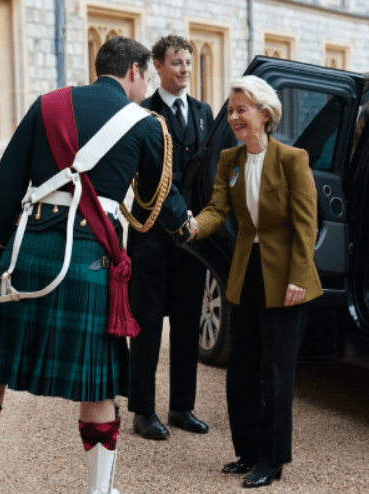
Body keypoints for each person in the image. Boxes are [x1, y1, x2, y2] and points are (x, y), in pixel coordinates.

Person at [0, 36, 195, 494]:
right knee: (98, 389)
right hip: (91, 257)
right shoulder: (145, 125)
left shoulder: (48, 104)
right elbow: (161, 201)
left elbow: (7, 183)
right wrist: (188, 226)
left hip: (28, 250)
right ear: (136, 73)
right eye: (146, 79)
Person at [191, 76, 323, 488]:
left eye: (241, 110)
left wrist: (300, 277)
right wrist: (194, 225)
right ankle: (246, 451)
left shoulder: (291, 159)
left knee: (276, 373)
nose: (233, 117)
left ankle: (271, 459)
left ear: (265, 115)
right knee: (241, 369)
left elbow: (306, 225)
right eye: (230, 111)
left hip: (286, 278)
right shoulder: (230, 160)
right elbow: (217, 210)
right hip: (245, 275)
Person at [127, 35, 214, 440]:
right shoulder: (143, 113)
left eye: (188, 63)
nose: (184, 70)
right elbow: (150, 174)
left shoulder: (203, 113)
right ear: (158, 67)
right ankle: (143, 411)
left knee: (186, 322)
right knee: (146, 324)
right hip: (151, 233)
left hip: (190, 236)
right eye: (177, 63)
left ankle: (182, 407)